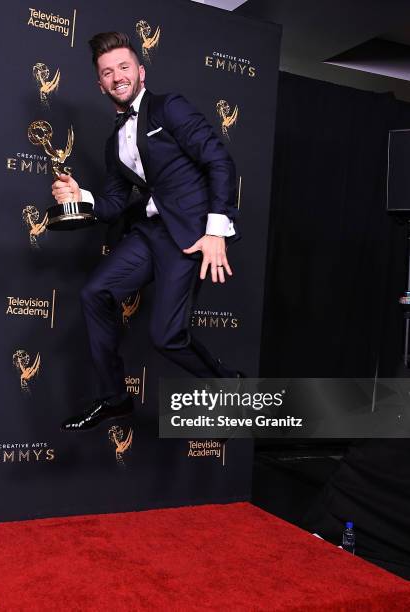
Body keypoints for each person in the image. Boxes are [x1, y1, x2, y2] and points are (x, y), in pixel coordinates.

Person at [52, 32, 241, 431]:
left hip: (189, 234)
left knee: (166, 337)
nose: (117, 76)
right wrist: (79, 196)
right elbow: (112, 205)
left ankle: (231, 387)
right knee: (95, 293)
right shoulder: (113, 143)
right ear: (99, 83)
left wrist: (216, 231)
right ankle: (115, 398)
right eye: (107, 72)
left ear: (140, 71)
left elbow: (219, 161)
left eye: (123, 67)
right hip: (150, 232)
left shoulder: (167, 107)